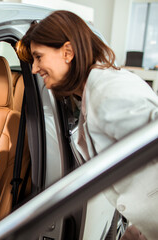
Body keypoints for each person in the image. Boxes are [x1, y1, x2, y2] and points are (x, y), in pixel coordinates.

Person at [16, 10, 158, 239]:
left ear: (68, 52)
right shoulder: (94, 91)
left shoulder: (109, 94)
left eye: (39, 57)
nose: (33, 68)